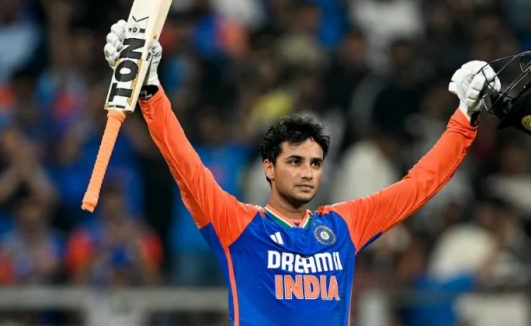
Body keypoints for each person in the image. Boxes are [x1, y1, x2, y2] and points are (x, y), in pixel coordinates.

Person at [102, 19, 501, 325]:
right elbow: (185, 164)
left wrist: (465, 117)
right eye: (295, 161)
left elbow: (419, 185)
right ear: (269, 168)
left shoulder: (344, 226)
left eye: (315, 163)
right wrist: (150, 89)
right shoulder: (239, 225)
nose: (307, 172)